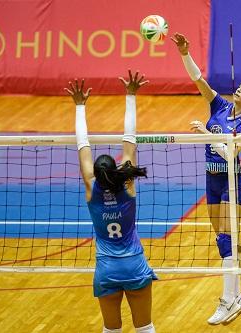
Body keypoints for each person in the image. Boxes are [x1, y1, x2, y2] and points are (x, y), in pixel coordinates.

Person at [170, 32, 241, 325]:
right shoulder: (218, 106)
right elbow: (199, 81)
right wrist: (184, 52)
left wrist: (206, 134)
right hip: (212, 180)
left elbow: (231, 154)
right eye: (240, 86)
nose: (240, 90)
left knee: (227, 238)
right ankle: (237, 296)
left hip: (233, 182)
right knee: (223, 242)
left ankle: (228, 299)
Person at [65, 70, 157, 333]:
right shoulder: (127, 186)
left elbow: (82, 144)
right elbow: (130, 139)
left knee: (111, 330)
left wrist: (80, 106)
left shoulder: (90, 187)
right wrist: (130, 95)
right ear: (118, 170)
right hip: (134, 264)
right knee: (145, 328)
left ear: (95, 173)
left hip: (106, 268)